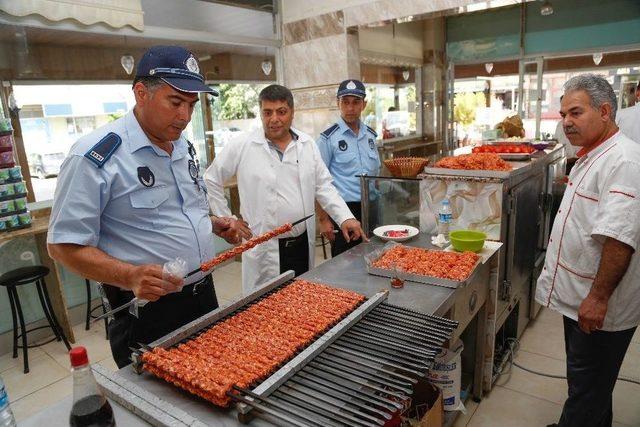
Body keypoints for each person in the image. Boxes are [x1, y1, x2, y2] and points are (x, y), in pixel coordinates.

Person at [47, 46, 251, 368]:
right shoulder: (96, 157)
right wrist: (129, 275)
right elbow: (62, 246)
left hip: (203, 293)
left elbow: (177, 207)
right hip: (146, 310)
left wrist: (210, 223)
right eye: (176, 102)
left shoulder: (181, 142)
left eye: (191, 105)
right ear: (141, 93)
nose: (185, 116)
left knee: (212, 383)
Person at [535, 74, 640, 427]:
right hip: (582, 298)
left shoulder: (624, 161)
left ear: (605, 111)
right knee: (592, 385)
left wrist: (597, 298)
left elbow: (619, 239)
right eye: (563, 113)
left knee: (586, 388)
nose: (566, 122)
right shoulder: (595, 155)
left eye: (576, 112)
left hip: (599, 305)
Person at [204, 84, 363, 292]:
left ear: (292, 113)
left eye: (281, 111)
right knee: (264, 311)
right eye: (267, 112)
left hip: (301, 245)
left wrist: (345, 217)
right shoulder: (243, 144)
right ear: (260, 114)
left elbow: (323, 186)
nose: (274, 119)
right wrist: (228, 219)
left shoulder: (306, 144)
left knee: (300, 302)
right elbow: (210, 179)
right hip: (263, 248)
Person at [316, 79, 380, 257]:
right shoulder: (328, 139)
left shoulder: (371, 136)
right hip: (343, 210)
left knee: (374, 256)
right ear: (338, 104)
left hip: (372, 208)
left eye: (356, 102)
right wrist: (323, 219)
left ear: (364, 104)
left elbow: (376, 176)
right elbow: (318, 182)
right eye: (345, 102)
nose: (350, 108)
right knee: (346, 263)